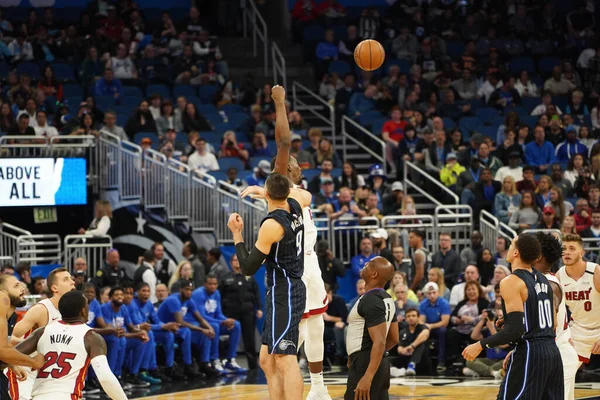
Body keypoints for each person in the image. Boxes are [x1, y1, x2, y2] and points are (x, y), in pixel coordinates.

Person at [241, 85, 330, 399]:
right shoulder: (298, 196)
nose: (298, 165)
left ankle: (316, 387)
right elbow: (283, 144)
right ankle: (308, 389)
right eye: (292, 164)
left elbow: (283, 144)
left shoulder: (292, 198)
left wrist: (279, 103)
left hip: (296, 275)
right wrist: (279, 103)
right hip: (293, 273)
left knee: (287, 352)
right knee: (273, 355)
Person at [228, 173, 312, 400]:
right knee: (266, 359)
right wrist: (262, 191)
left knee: (285, 357)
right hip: (285, 289)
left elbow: (247, 267)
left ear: (266, 194)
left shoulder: (272, 225)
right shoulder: (295, 204)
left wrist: (236, 233)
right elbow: (307, 195)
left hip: (284, 292)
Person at [462, 233, 564, 399]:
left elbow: (516, 329)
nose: (509, 248)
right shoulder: (544, 280)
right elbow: (552, 323)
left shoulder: (511, 281)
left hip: (532, 352)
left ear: (516, 253)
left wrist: (480, 345)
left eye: (511, 245)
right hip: (552, 352)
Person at [15, 290, 128, 400]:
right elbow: (105, 378)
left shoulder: (42, 332)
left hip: (39, 396)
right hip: (67, 396)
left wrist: (30, 362)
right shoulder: (91, 337)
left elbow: (10, 356)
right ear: (83, 310)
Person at [10, 268, 75, 400]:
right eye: (66, 279)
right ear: (54, 288)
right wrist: (37, 346)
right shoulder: (41, 309)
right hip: (26, 373)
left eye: (71, 279)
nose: (72, 282)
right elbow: (11, 337)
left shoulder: (72, 312)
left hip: (49, 377)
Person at [344, 257, 397, 400]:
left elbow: (380, 341)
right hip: (375, 362)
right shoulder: (387, 299)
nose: (365, 264)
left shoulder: (371, 300)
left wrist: (368, 375)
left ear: (374, 274)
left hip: (366, 364)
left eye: (369, 264)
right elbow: (393, 338)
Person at [534, 232, 579, 400]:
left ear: (537, 256)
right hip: (556, 354)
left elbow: (550, 324)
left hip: (559, 357)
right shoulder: (540, 280)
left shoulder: (549, 284)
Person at [0, 275, 46, 400]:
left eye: (20, 284)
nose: (22, 289)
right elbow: (2, 350)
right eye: (16, 286)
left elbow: (4, 344)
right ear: (3, 292)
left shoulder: (12, 316)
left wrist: (13, 365)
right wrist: (33, 362)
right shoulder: (1, 302)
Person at [558, 234, 600, 368]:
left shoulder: (595, 271)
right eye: (564, 248)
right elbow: (558, 312)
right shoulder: (559, 276)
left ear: (582, 252)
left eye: (572, 248)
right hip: (578, 331)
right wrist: (564, 336)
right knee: (564, 371)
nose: (567, 252)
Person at [191, 274, 247, 374]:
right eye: (210, 284)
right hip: (199, 324)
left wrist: (227, 320)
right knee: (215, 326)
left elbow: (218, 314)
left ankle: (230, 360)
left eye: (215, 284)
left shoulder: (216, 293)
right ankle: (214, 360)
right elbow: (201, 316)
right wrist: (222, 322)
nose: (213, 286)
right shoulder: (198, 294)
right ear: (205, 284)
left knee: (236, 325)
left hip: (214, 322)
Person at [220, 254, 262, 369]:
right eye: (234, 260)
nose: (237, 262)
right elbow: (220, 295)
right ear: (230, 263)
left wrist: (258, 308)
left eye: (239, 260)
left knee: (249, 339)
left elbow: (256, 293)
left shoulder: (249, 277)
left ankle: (253, 365)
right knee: (228, 337)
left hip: (247, 312)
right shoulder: (225, 278)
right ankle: (226, 362)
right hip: (230, 313)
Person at [418, 282, 451, 368]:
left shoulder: (444, 303)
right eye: (429, 293)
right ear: (426, 294)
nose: (432, 295)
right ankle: (424, 361)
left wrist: (430, 326)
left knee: (442, 331)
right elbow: (421, 321)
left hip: (439, 327)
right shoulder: (422, 304)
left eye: (434, 292)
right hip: (428, 327)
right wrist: (426, 327)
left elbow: (445, 322)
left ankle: (441, 361)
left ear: (438, 292)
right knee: (421, 331)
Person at [391, 308, 430, 377]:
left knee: (421, 344)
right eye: (408, 316)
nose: (411, 318)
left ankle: (412, 365)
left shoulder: (423, 328)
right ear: (405, 319)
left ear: (418, 317)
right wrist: (403, 350)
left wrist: (412, 346)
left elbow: (425, 334)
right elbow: (399, 347)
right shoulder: (403, 331)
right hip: (407, 356)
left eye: (413, 316)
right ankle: (401, 370)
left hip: (421, 360)